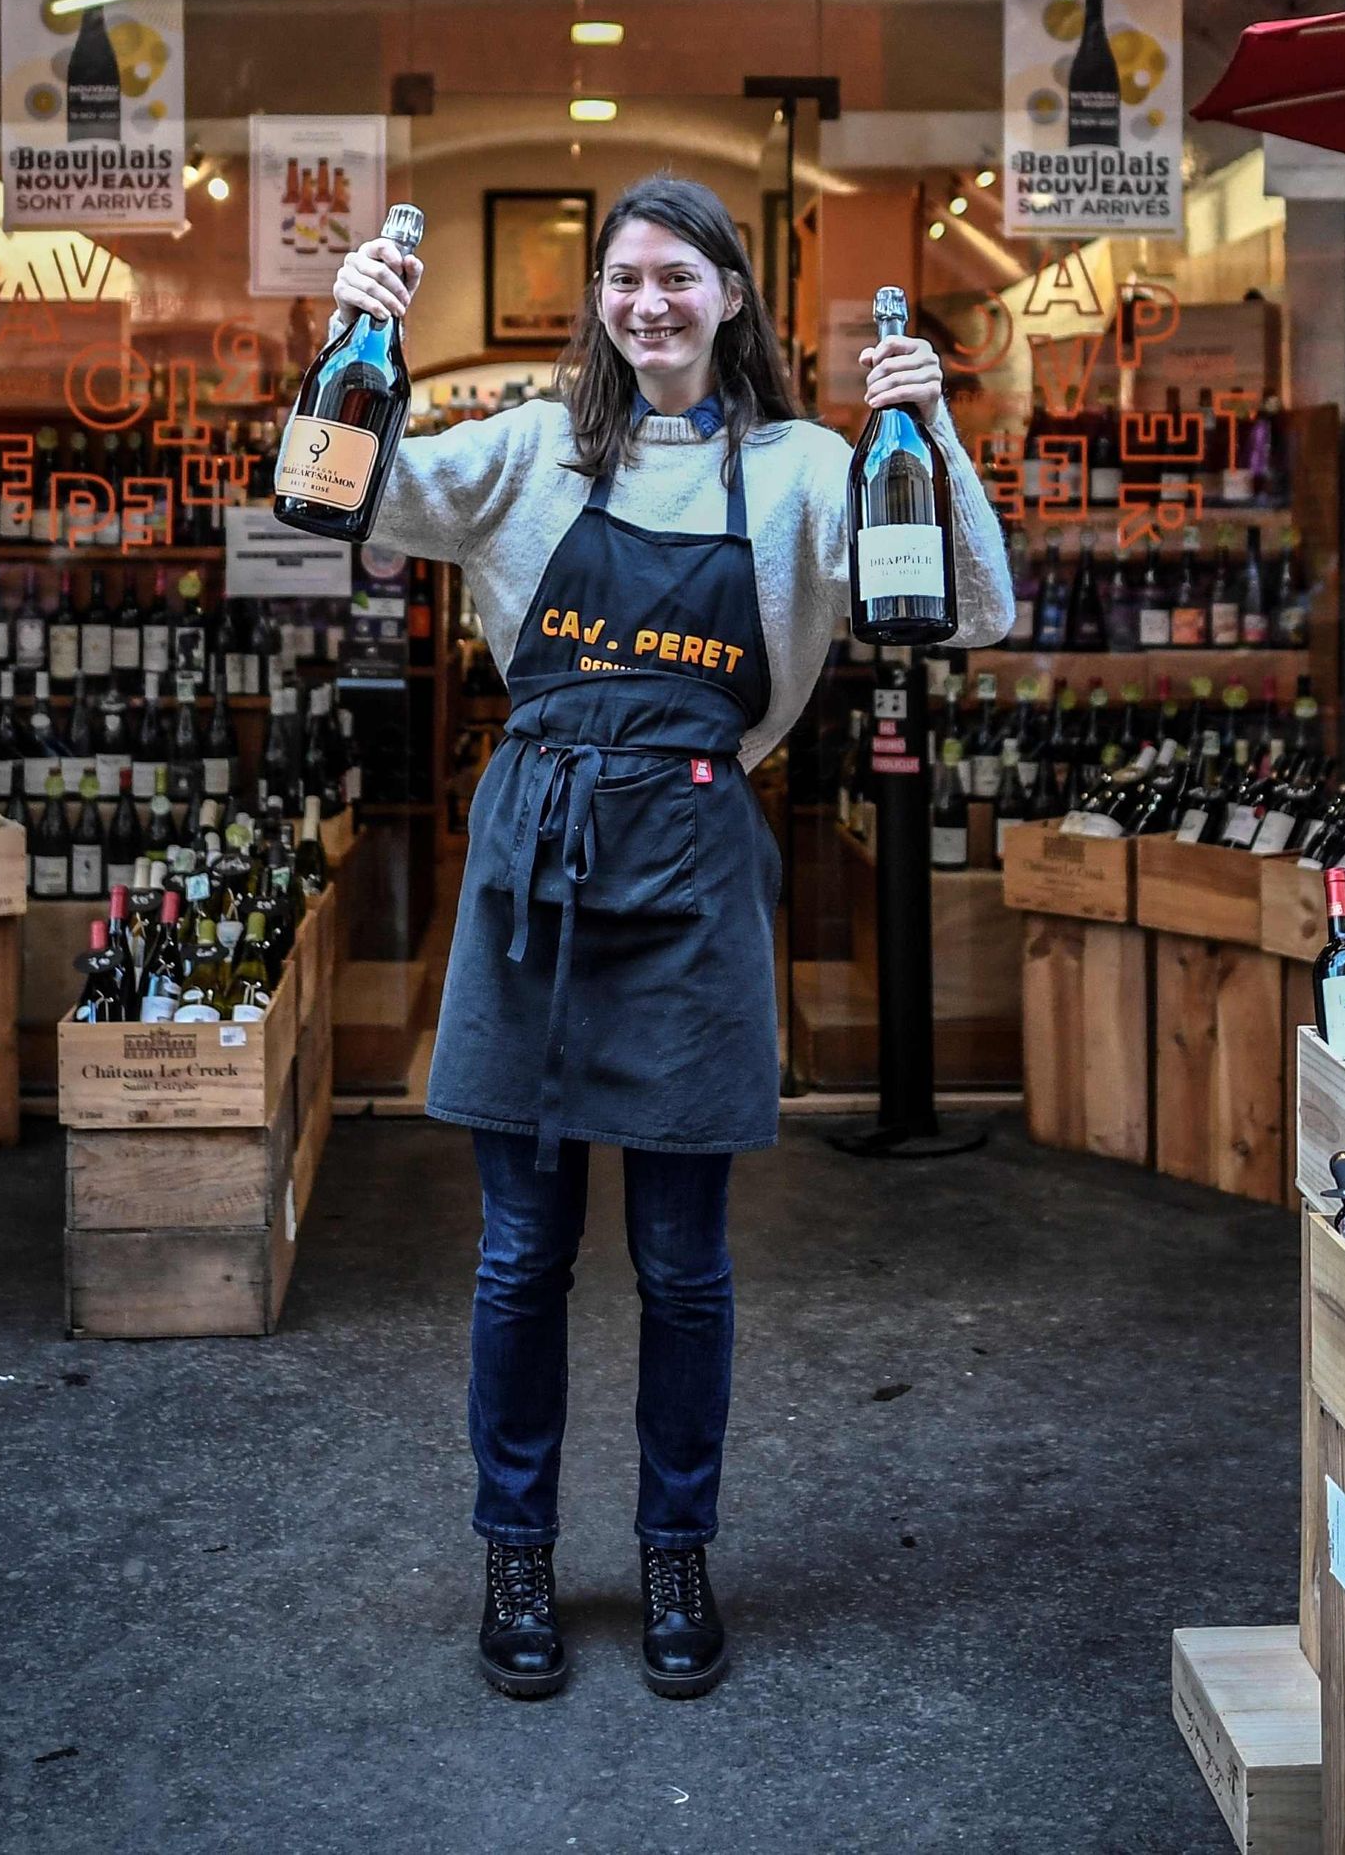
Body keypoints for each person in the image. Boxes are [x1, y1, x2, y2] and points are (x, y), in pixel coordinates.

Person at [326, 173, 1011, 1704]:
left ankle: (675, 1553)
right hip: (537, 866)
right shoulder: (529, 454)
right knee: (521, 1257)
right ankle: (516, 1553)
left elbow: (973, 609)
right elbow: (337, 496)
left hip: (695, 869)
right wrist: (352, 340)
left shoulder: (806, 470)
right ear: (601, 301)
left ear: (730, 296)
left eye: (679, 276)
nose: (650, 302)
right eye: (626, 278)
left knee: (685, 1269)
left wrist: (933, 428)